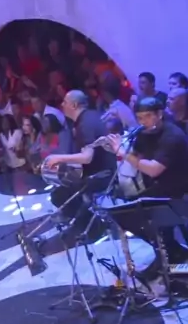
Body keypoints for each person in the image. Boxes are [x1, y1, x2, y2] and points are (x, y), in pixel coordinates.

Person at [107, 96, 188, 262]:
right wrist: (117, 146)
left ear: (159, 114)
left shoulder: (172, 136)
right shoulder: (144, 133)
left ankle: (175, 259)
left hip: (181, 193)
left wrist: (123, 153)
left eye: (148, 116)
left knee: (179, 232)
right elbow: (137, 155)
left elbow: (153, 169)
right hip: (161, 192)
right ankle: (171, 262)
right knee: (141, 223)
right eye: (140, 118)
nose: (144, 121)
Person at [43, 91, 116, 230]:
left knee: (58, 195)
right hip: (105, 171)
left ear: (74, 105)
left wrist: (58, 158)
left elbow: (87, 157)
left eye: (65, 102)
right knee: (66, 185)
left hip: (101, 176)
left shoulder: (85, 124)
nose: (62, 105)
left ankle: (89, 226)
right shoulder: (91, 116)